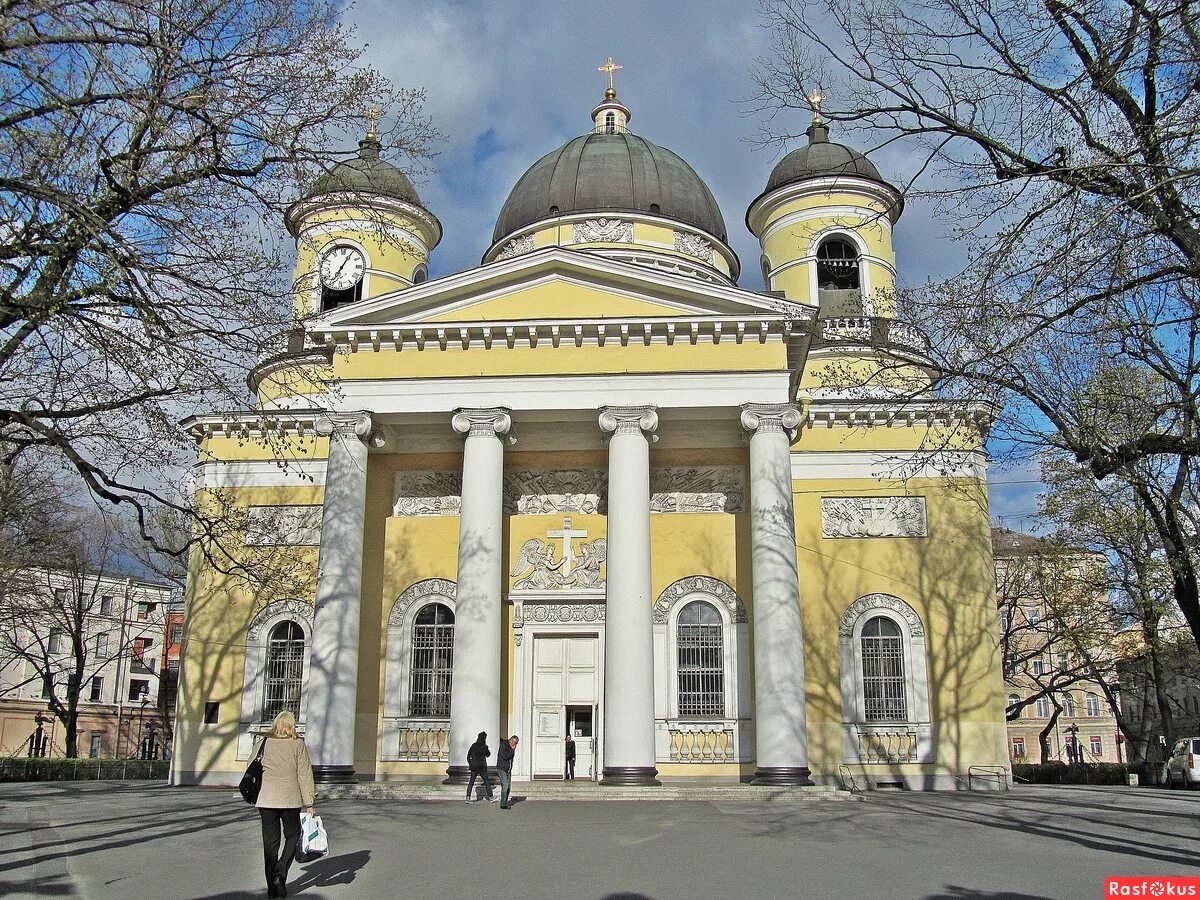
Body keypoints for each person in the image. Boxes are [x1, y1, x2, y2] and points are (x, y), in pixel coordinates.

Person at [255, 709, 315, 899]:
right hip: (290, 799)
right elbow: (304, 774)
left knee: (270, 844)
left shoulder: (263, 743)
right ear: (292, 726)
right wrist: (310, 802)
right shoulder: (298, 745)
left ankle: (272, 889)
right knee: (293, 834)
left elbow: (251, 766)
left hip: (266, 799)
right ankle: (281, 872)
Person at [465, 731, 495, 803]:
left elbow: (468, 756)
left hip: (474, 766)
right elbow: (488, 754)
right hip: (482, 767)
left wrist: (470, 763)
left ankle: (468, 798)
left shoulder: (473, 746)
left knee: (471, 782)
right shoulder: (484, 747)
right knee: (487, 782)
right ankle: (490, 797)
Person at [497, 734, 518, 809]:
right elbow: (505, 756)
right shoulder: (504, 745)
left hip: (508, 769)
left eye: (516, 743)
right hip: (502, 768)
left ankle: (505, 802)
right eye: (514, 742)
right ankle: (503, 804)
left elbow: (511, 759)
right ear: (511, 740)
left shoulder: (512, 748)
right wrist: (512, 750)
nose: (515, 745)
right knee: (505, 785)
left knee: (508, 787)